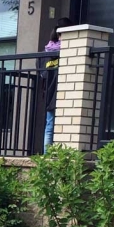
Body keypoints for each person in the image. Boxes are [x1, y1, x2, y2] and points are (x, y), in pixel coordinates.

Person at [43, 17, 73, 151]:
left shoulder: (46, 52)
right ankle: (50, 157)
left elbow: (42, 74)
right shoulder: (67, 52)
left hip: (50, 94)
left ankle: (47, 157)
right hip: (61, 93)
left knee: (50, 126)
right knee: (54, 126)